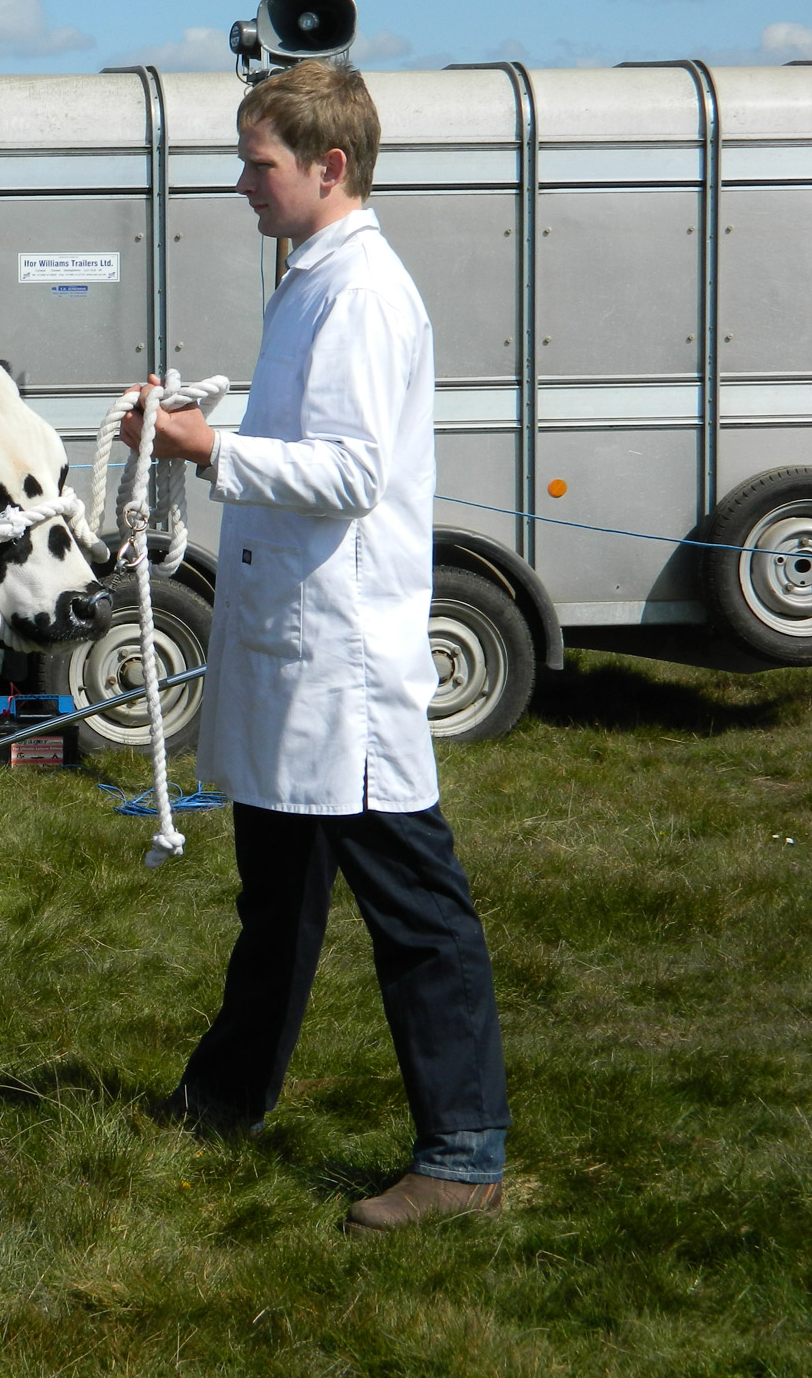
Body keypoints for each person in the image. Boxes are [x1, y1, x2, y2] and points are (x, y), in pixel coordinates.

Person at [124, 60, 510, 1234]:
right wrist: (207, 421)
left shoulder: (364, 291)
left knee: (416, 908)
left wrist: (204, 449)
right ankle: (224, 1099)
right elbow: (304, 435)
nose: (243, 184)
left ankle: (464, 1152)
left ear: (328, 167)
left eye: (260, 164)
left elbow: (350, 473)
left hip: (346, 663)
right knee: (276, 900)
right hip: (296, 647)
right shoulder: (308, 281)